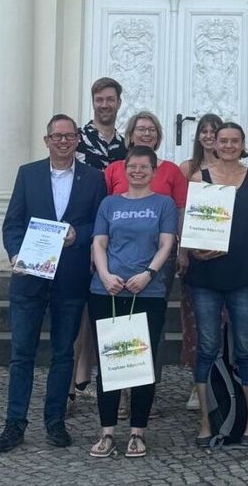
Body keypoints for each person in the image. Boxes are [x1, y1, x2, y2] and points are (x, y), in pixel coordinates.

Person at [0, 114, 107, 453]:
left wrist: (79, 234)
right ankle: (14, 424)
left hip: (70, 279)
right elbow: (13, 224)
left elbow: (99, 227)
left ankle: (55, 422)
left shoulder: (93, 178)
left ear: (77, 140)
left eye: (69, 136)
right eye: (56, 136)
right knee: (21, 354)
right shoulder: (28, 174)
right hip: (29, 277)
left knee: (62, 355)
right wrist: (15, 254)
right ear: (47, 140)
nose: (63, 141)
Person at [183, 122, 248, 446]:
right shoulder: (199, 179)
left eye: (235, 140)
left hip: (245, 275)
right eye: (224, 140)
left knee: (247, 347)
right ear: (214, 144)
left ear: (243, 143)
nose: (229, 145)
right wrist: (192, 248)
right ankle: (207, 422)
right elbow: (190, 227)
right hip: (206, 277)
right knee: (206, 347)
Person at [87, 145, 177, 458]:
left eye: (144, 167)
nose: (137, 172)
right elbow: (99, 242)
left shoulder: (163, 204)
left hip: (147, 292)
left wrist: (149, 273)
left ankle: (137, 432)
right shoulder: (109, 204)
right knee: (110, 361)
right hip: (107, 291)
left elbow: (167, 243)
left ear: (154, 171)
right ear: (125, 170)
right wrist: (105, 274)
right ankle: (107, 431)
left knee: (142, 363)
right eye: (132, 167)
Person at [103, 111, 189, 418]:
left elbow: (180, 211)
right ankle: (122, 393)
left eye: (152, 129)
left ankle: (144, 394)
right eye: (141, 129)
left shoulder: (171, 171)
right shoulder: (114, 169)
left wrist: (180, 249)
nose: (147, 134)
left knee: (151, 328)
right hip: (117, 262)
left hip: (156, 262)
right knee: (119, 326)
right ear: (130, 135)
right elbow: (105, 215)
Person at [68, 77, 128, 413]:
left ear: (119, 103)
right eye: (99, 100)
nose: (104, 105)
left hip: (117, 237)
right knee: (79, 310)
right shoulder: (77, 139)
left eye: (110, 99)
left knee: (108, 311)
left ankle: (108, 384)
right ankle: (75, 383)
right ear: (93, 102)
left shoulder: (126, 144)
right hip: (82, 232)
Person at [177, 113, 224, 411]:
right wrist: (183, 249)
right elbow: (182, 210)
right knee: (194, 322)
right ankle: (198, 384)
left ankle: (222, 382)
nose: (208, 136)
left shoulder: (231, 168)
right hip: (195, 253)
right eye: (203, 131)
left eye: (213, 131)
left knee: (223, 321)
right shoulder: (187, 169)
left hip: (225, 252)